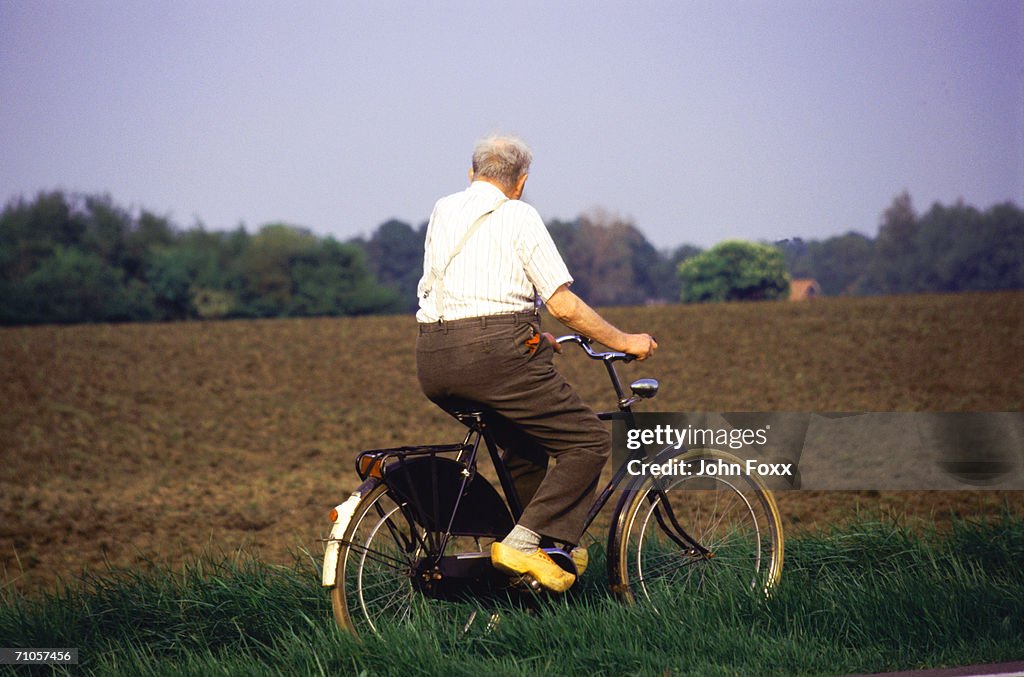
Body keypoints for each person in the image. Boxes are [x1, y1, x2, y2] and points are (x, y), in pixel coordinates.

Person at [415, 134, 657, 592]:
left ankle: (543, 551)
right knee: (586, 441)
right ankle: (525, 543)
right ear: (521, 183)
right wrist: (624, 340)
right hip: (496, 357)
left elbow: (465, 291)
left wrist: (528, 330)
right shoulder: (519, 215)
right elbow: (563, 305)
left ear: (471, 175)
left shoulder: (443, 209)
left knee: (526, 448)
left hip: (433, 359)